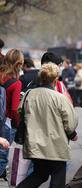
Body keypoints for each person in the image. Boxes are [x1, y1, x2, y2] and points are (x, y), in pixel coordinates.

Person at [17, 63, 78, 188]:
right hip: (56, 145)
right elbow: (70, 124)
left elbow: (20, 113)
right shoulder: (60, 98)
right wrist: (72, 134)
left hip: (34, 144)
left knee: (39, 174)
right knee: (58, 175)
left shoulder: (29, 95)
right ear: (55, 79)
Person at [0, 49, 24, 179]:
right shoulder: (16, 83)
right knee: (2, 157)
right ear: (18, 64)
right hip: (6, 123)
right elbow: (15, 109)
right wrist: (19, 123)